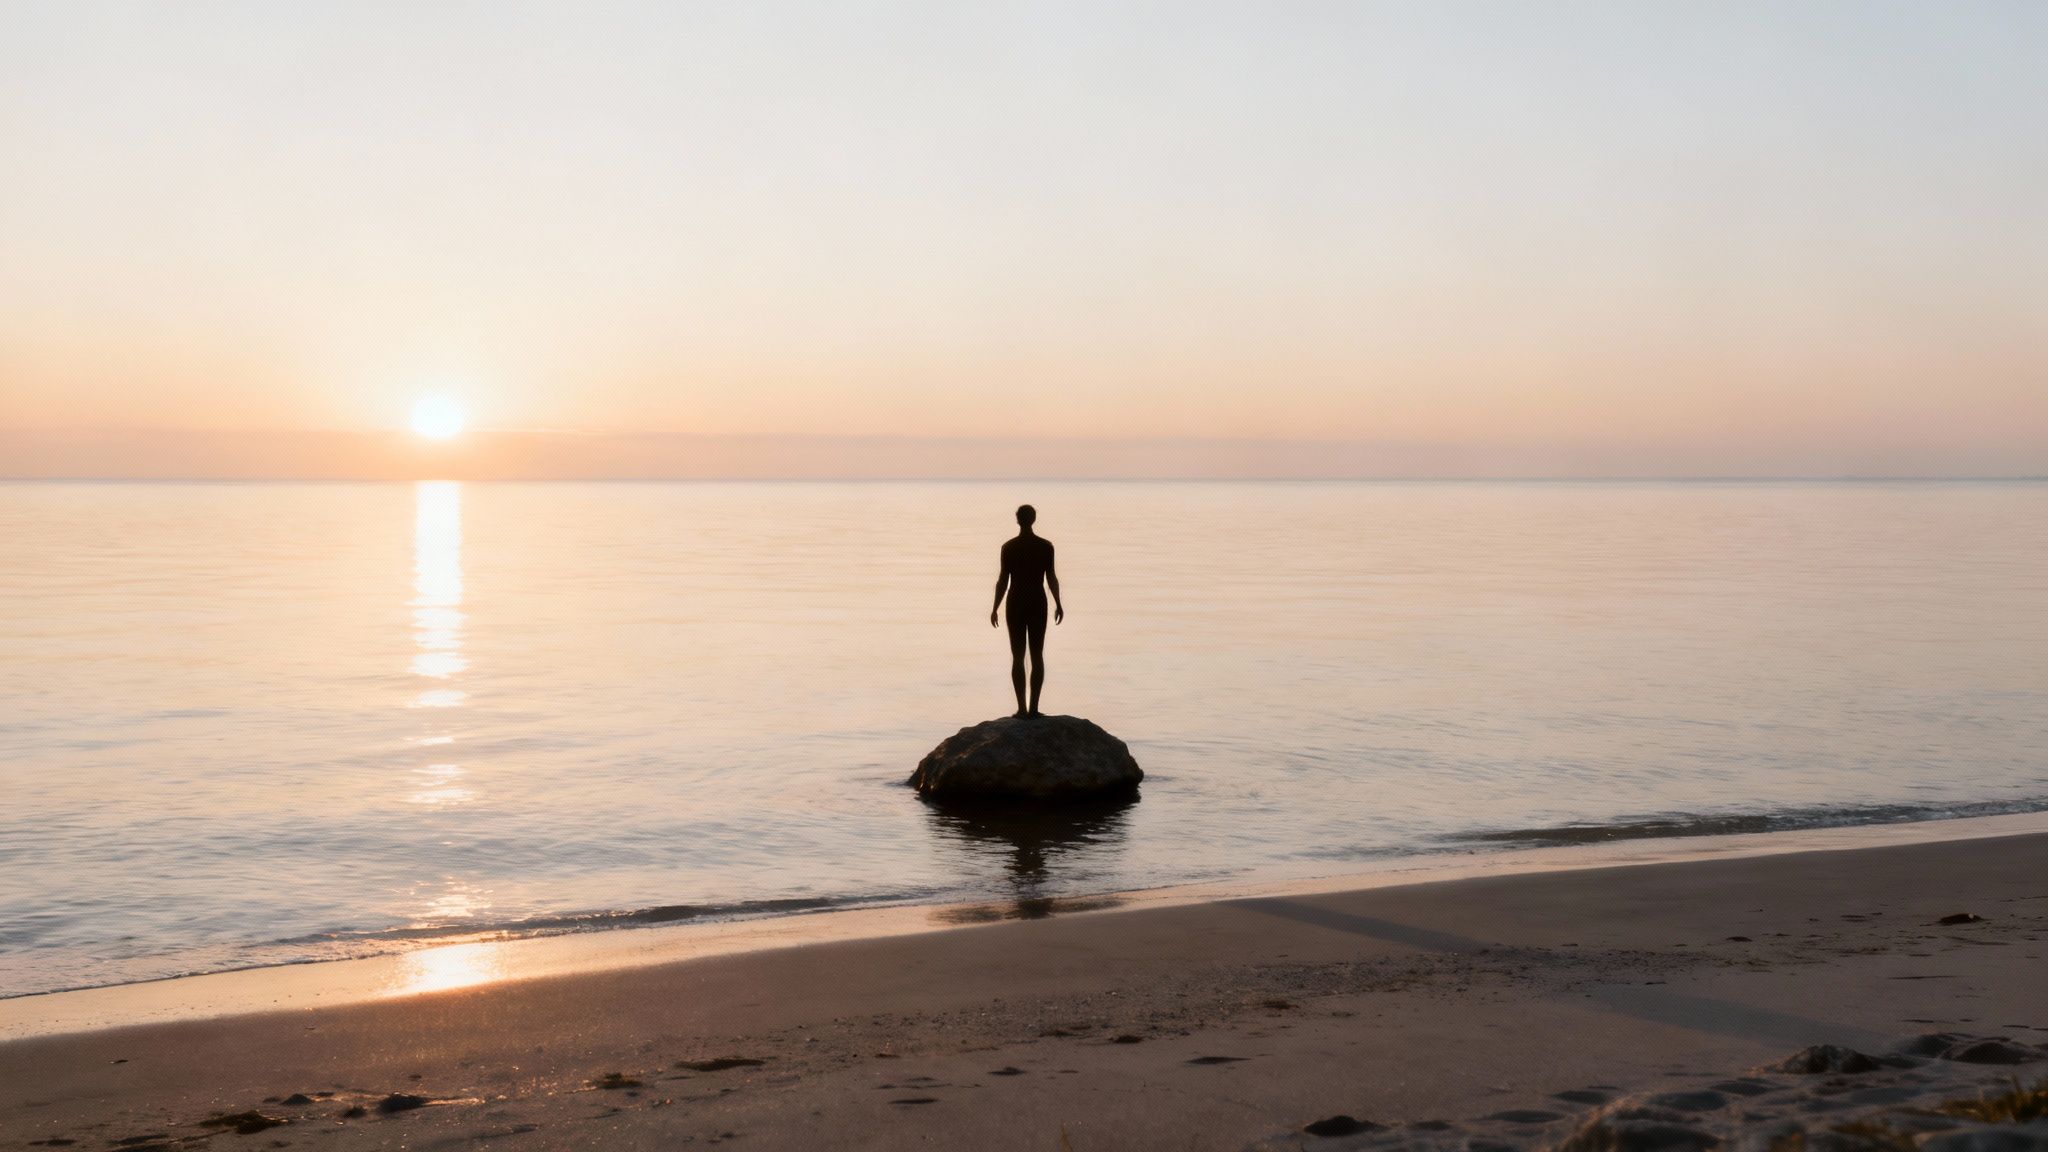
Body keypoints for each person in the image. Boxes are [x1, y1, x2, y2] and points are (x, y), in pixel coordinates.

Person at [989, 504, 1063, 717]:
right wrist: (1058, 603)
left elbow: (1003, 580)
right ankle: (1034, 709)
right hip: (1038, 601)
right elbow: (1051, 578)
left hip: (1016, 602)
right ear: (1033, 519)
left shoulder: (1009, 547)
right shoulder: (1046, 546)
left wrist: (995, 607)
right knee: (1037, 655)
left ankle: (1022, 709)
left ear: (1017, 519)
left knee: (1018, 656)